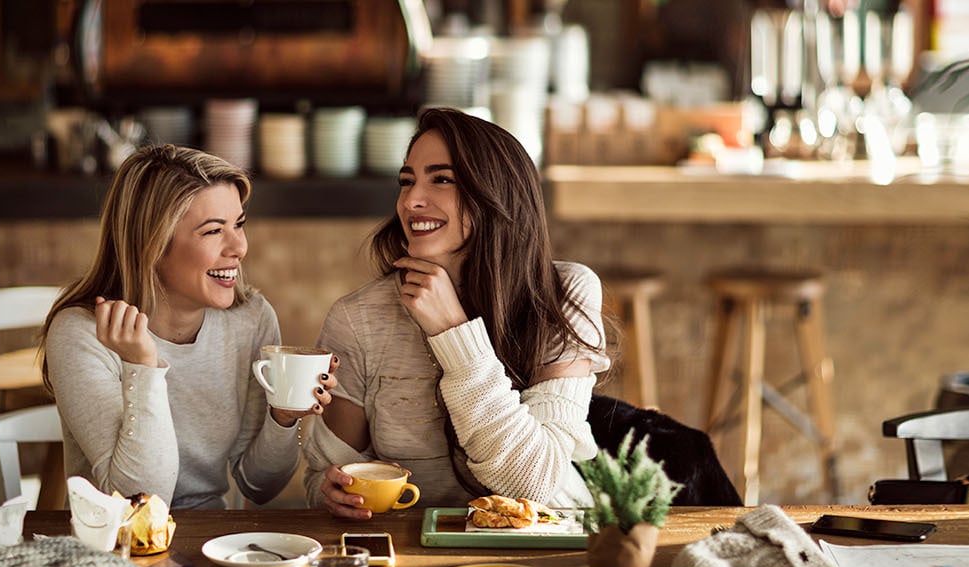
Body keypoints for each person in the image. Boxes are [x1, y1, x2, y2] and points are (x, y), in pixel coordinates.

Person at [303, 108, 612, 519]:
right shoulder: (358, 319)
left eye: (442, 179)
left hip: (547, 547)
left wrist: (454, 331)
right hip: (411, 550)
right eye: (407, 181)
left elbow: (534, 483)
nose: (411, 201)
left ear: (496, 194)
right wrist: (331, 491)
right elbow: (323, 478)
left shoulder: (563, 295)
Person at [41, 144, 335, 509]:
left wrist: (283, 417)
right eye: (213, 231)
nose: (239, 247)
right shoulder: (84, 333)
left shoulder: (251, 319)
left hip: (213, 543)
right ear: (151, 243)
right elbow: (141, 500)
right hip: (115, 548)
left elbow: (260, 486)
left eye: (239, 224)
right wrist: (142, 368)